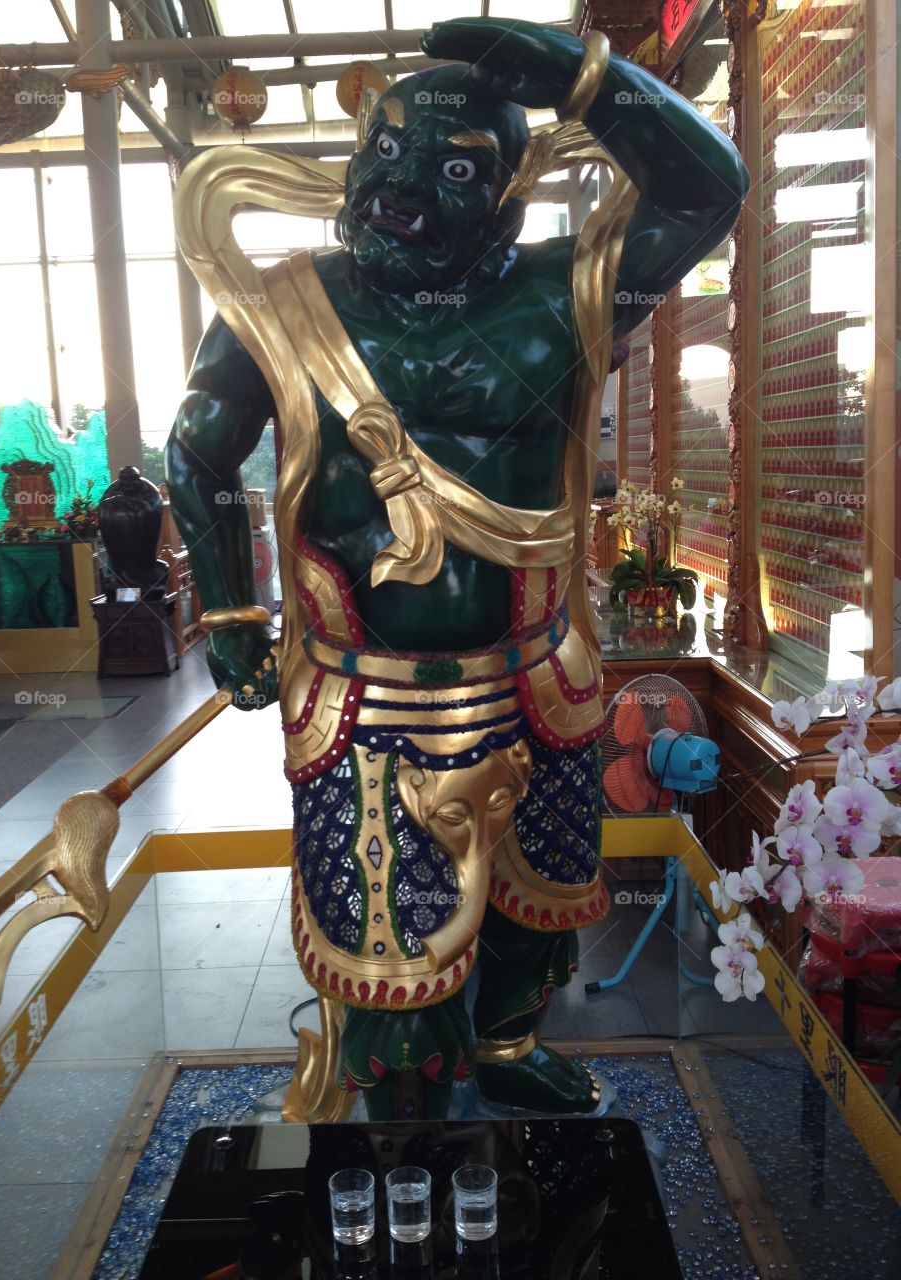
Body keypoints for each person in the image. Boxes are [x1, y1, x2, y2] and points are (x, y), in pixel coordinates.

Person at [166, 17, 748, 1120]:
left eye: (455, 167)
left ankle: (510, 1041)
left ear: (512, 195)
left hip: (535, 667)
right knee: (388, 940)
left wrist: (581, 79)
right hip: (365, 691)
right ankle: (402, 1098)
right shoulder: (286, 305)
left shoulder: (564, 292)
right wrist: (233, 609)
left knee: (541, 904)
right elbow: (195, 450)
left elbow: (707, 191)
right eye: (383, 153)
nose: (404, 185)